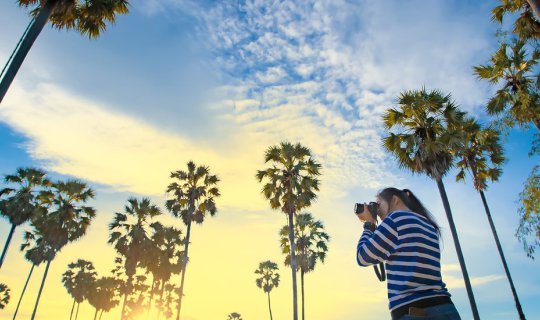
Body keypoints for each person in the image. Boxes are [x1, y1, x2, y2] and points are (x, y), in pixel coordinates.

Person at [356, 187, 461, 320]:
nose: (377, 210)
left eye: (379, 204)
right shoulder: (428, 225)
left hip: (414, 310)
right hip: (446, 308)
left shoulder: (396, 218)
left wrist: (369, 225)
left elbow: (363, 257)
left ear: (395, 200)